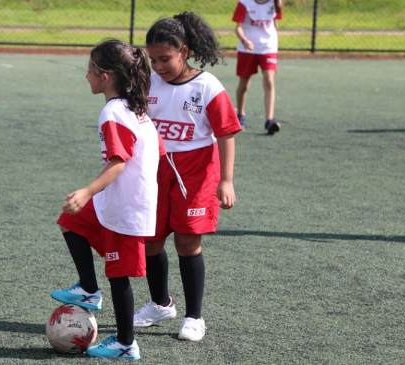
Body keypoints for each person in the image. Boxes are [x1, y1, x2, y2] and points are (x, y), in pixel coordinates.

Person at [50, 39, 160, 360]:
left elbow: (118, 161)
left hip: (125, 209)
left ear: (106, 76)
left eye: (90, 70)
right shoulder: (135, 110)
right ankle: (88, 288)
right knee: (70, 221)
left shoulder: (114, 112)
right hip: (115, 203)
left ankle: (127, 343)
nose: (86, 76)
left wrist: (86, 191)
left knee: (118, 274)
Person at [134, 12, 241, 342]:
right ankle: (160, 303)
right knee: (151, 242)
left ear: (184, 50)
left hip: (196, 173)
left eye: (165, 58)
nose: (159, 66)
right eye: (153, 59)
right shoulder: (149, 83)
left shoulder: (207, 86)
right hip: (155, 171)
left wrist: (226, 180)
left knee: (187, 241)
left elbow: (226, 134)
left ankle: (194, 317)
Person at [233, 0, 283, 135]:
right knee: (244, 84)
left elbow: (274, 23)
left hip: (268, 47)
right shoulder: (244, 3)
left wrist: (275, 42)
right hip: (248, 47)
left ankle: (269, 121)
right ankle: (240, 115)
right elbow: (238, 27)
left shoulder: (275, 3)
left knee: (269, 80)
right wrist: (244, 41)